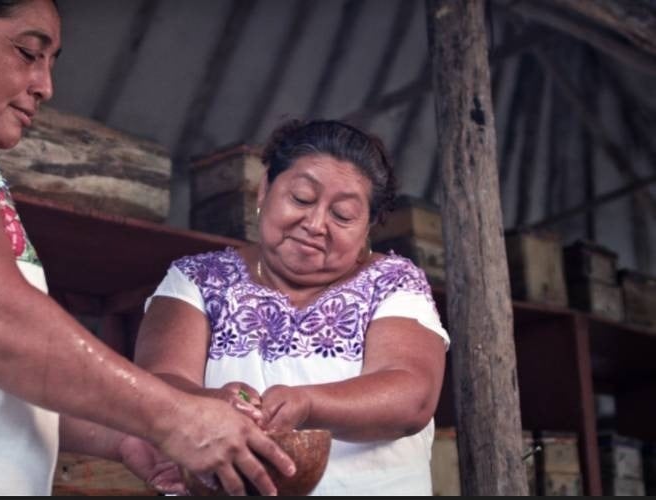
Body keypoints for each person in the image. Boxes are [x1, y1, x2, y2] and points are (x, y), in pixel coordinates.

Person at [0, 0, 295, 495]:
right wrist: (173, 415)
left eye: (51, 62)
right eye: (28, 52)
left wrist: (128, 434)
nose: (46, 86)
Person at [136, 119, 450, 495]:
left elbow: (411, 396)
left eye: (343, 215)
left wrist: (307, 405)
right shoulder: (196, 281)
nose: (316, 224)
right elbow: (156, 387)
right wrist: (216, 405)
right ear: (265, 188)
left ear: (368, 225)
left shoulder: (395, 283)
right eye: (301, 198)